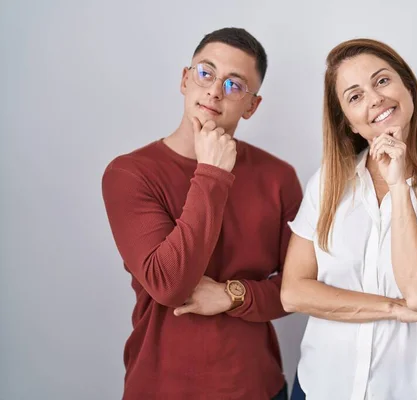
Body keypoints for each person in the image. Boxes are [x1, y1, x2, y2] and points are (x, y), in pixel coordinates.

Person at [101, 27, 302, 400]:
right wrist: (213, 174)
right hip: (162, 387)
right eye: (205, 73)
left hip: (257, 386)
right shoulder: (129, 173)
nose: (214, 90)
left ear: (251, 106)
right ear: (184, 79)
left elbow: (296, 290)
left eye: (233, 85)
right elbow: (169, 283)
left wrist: (232, 294)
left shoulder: (278, 177)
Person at [281, 38, 417, 400]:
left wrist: (399, 185)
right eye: (355, 96)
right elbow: (293, 292)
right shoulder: (328, 182)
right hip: (323, 386)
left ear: (408, 87)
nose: (375, 98)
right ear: (349, 123)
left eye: (382, 81)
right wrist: (392, 308)